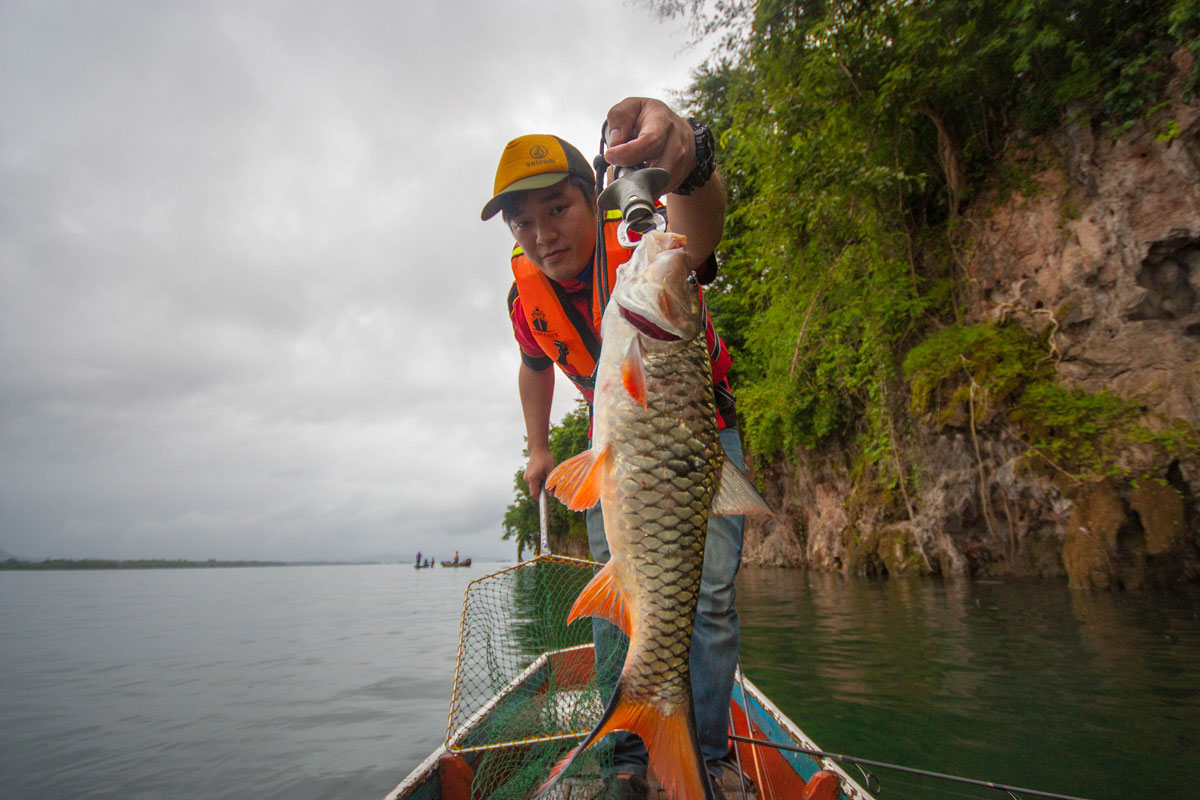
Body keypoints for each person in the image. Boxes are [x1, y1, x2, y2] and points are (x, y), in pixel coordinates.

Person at [482, 97, 745, 800]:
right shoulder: (525, 296)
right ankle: (627, 758)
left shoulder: (639, 238)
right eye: (522, 221)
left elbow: (702, 226)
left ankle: (708, 755)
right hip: (622, 455)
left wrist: (690, 158)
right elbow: (535, 365)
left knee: (711, 600)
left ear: (590, 194)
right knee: (617, 604)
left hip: (696, 438)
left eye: (558, 210)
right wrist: (539, 448)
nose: (542, 234)